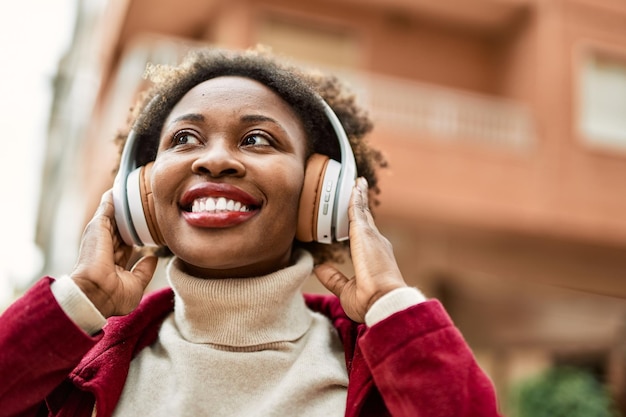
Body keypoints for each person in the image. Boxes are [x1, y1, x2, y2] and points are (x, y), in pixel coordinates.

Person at [0, 46, 502, 417]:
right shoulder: (77, 366)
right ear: (143, 191)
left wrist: (391, 303)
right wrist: (80, 296)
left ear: (320, 189)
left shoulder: (377, 372)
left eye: (257, 139)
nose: (215, 159)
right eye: (185, 138)